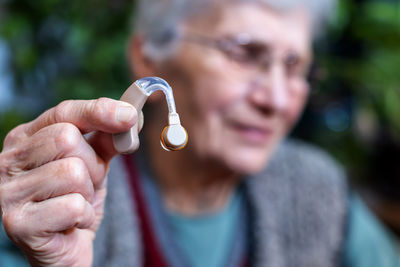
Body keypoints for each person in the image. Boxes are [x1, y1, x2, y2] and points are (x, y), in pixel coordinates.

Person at [0, 0, 399, 266]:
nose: (277, 99)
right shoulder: (65, 201)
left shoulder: (317, 190)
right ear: (147, 56)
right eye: (244, 53)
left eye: (295, 67)